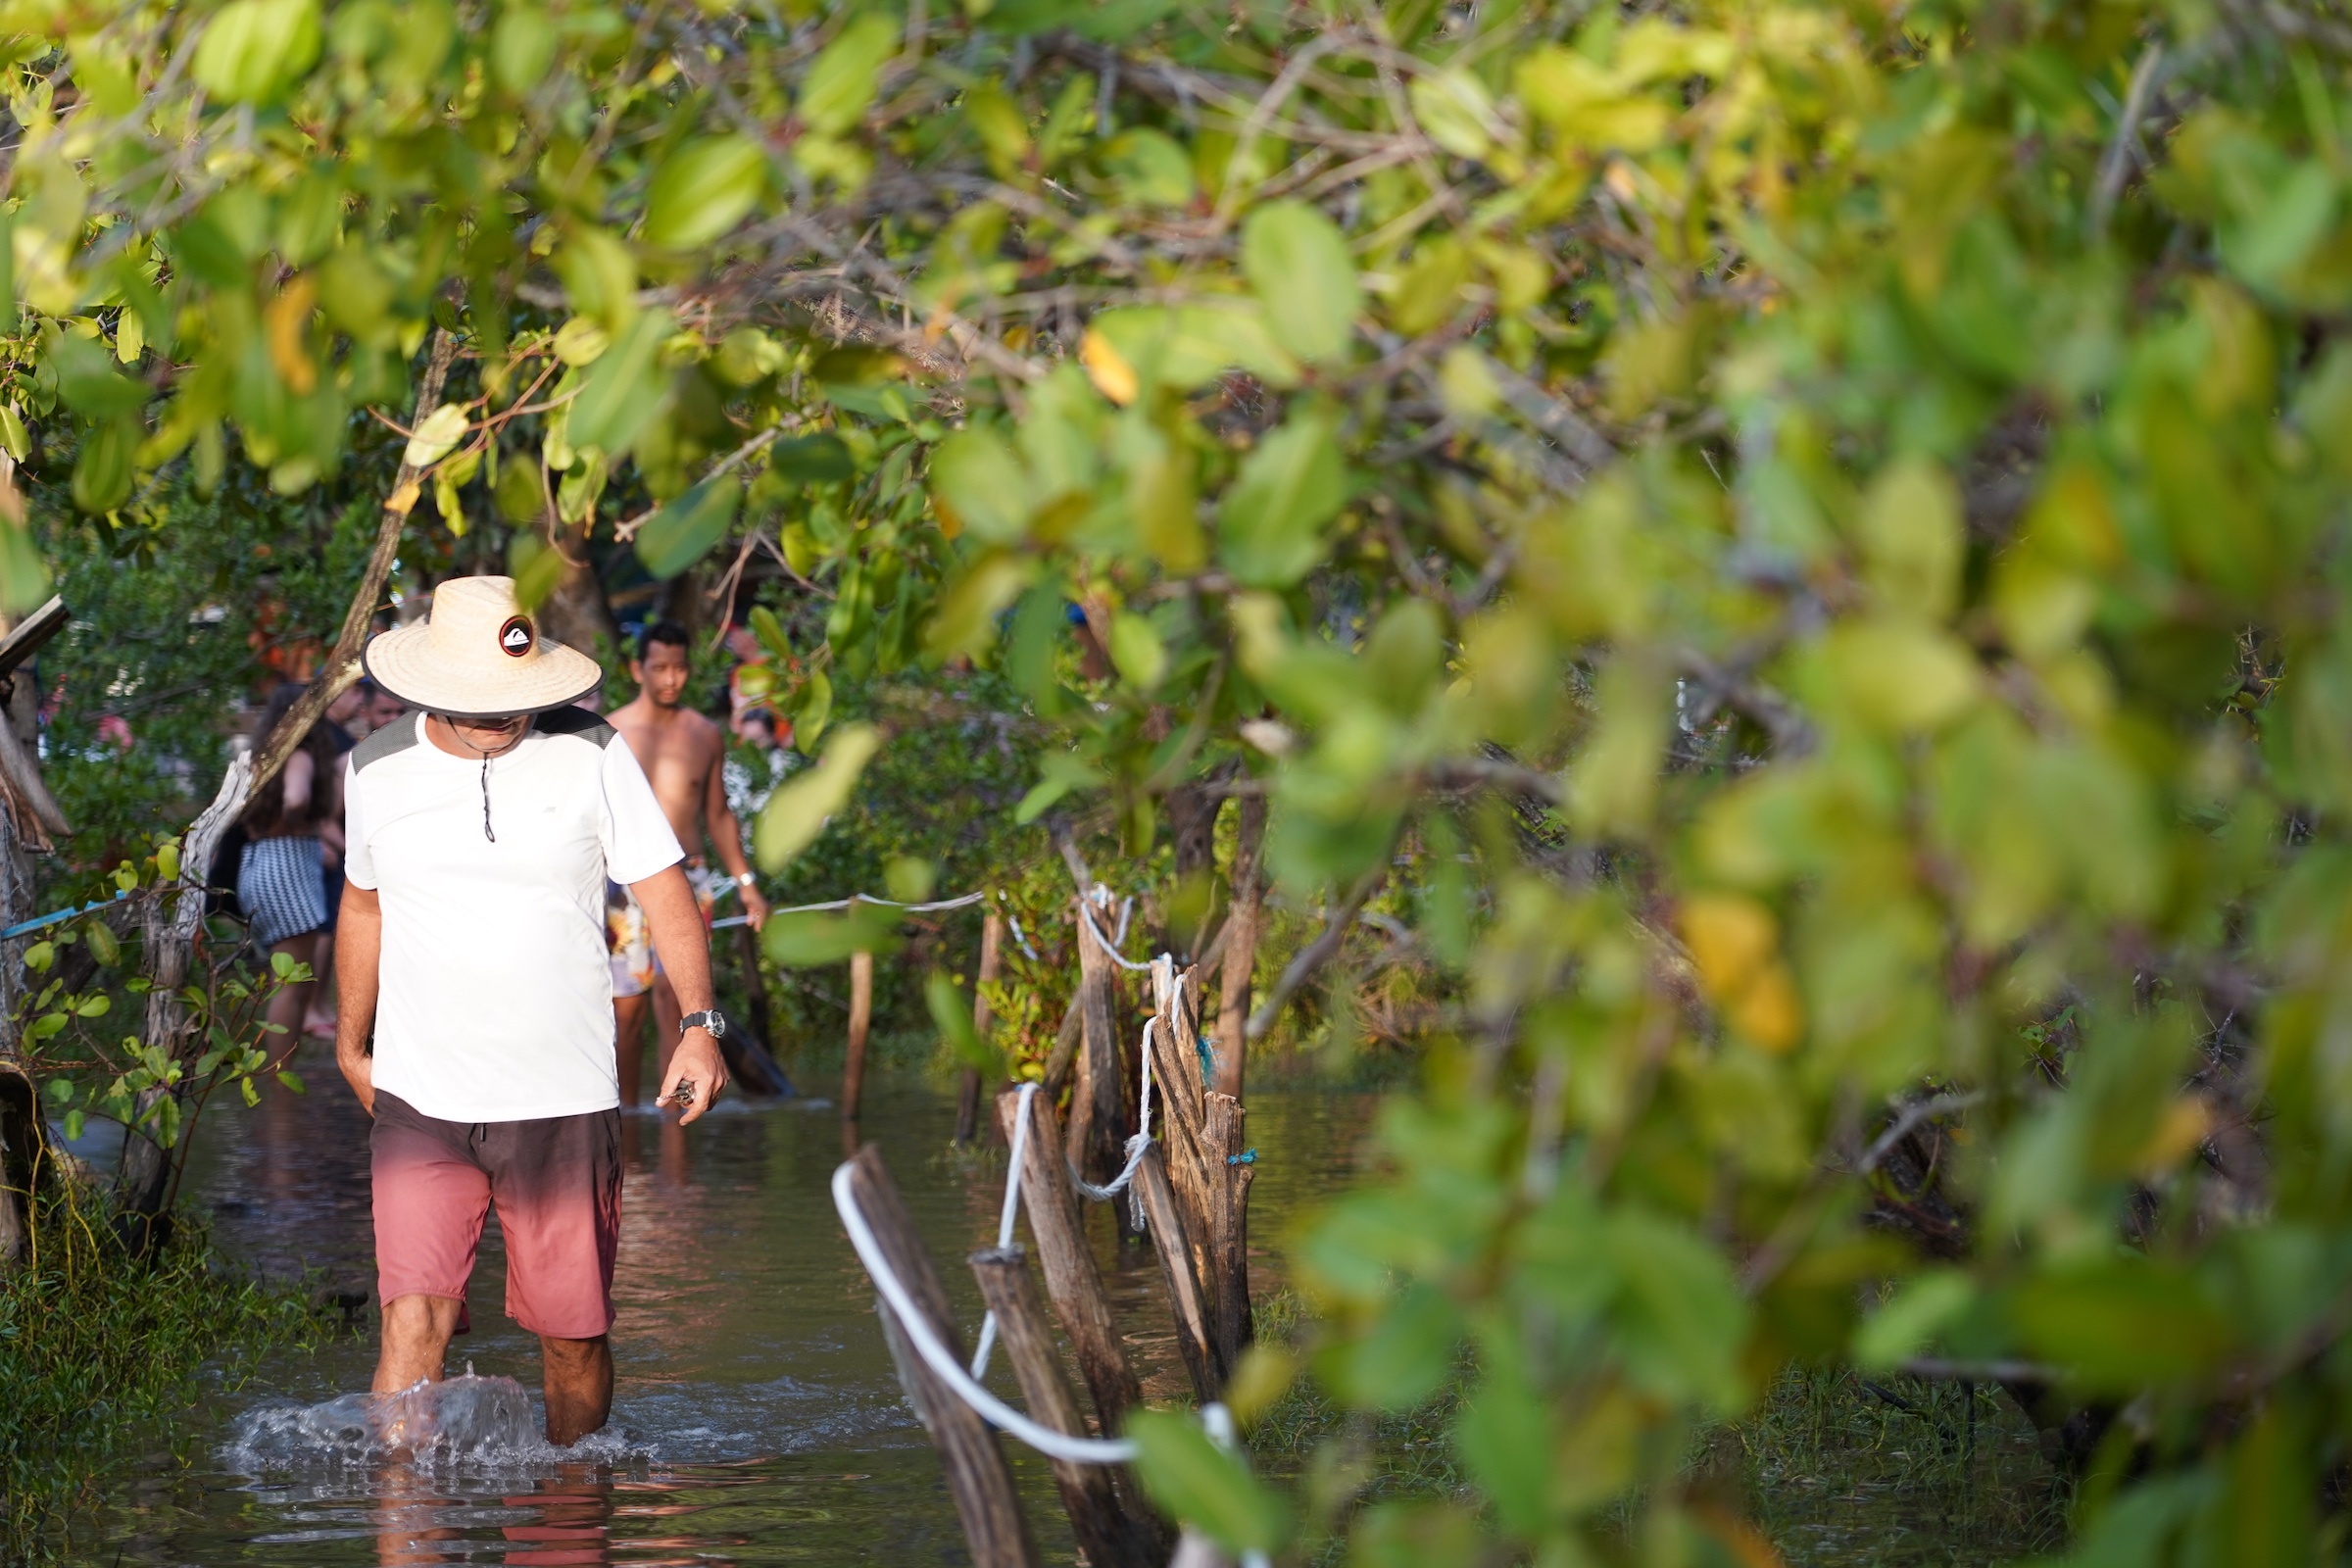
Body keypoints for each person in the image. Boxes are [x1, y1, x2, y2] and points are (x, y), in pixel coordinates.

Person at [334, 575, 729, 1446]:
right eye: (478, 705)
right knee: (411, 1325)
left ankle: (571, 1516)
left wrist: (699, 1026)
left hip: (562, 1095)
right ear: (432, 688)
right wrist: (351, 1042)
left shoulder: (592, 751)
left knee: (574, 1339)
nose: (497, 720)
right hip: (421, 1097)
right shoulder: (372, 768)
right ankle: (407, 1528)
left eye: (512, 705)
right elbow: (362, 903)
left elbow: (664, 890)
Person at [604, 621, 769, 1107]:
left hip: (689, 873)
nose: (671, 679)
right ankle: (628, 1132)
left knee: (678, 1008)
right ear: (638, 669)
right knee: (626, 1014)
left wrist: (746, 884)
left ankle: (677, 1155)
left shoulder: (704, 734)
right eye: (659, 668)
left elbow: (718, 814)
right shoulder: (612, 733)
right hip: (623, 882)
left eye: (679, 668)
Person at [238, 682, 341, 1054]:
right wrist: (302, 827)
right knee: (292, 982)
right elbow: (295, 798)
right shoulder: (298, 754)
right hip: (289, 865)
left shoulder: (260, 756)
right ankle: (278, 1073)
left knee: (286, 978)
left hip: (258, 861)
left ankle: (277, 1068)